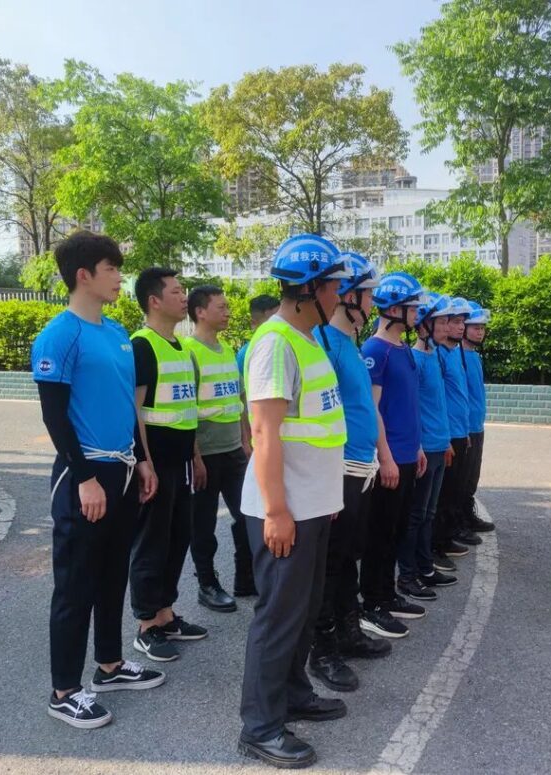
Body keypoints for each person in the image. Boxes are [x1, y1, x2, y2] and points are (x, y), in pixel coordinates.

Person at [32, 230, 163, 730]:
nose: (119, 278)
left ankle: (110, 665)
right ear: (84, 275)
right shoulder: (60, 335)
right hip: (83, 471)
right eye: (112, 269)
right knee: (76, 584)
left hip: (125, 468)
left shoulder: (114, 333)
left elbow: (129, 407)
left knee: (113, 573)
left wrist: (144, 461)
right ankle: (64, 690)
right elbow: (54, 417)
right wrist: (85, 477)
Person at [237, 233, 350, 770]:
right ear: (308, 290)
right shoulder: (275, 343)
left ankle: (293, 693)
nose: (340, 296)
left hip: (312, 503)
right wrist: (277, 510)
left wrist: (322, 498)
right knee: (278, 617)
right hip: (284, 510)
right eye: (333, 286)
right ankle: (259, 726)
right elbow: (264, 432)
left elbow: (317, 429)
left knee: (302, 612)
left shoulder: (310, 339)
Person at [309, 252, 392, 694]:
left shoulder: (351, 346)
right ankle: (321, 648)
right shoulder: (322, 343)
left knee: (348, 557)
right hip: (338, 468)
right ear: (348, 296)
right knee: (330, 561)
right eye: (369, 295)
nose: (373, 303)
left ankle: (348, 629)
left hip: (359, 467)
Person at [129, 268, 208, 663]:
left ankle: (166, 614)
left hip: (182, 461)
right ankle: (146, 624)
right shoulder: (142, 346)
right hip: (156, 465)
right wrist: (146, 464)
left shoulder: (179, 346)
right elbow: (136, 412)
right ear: (154, 301)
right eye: (177, 292)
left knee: (179, 538)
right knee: (151, 543)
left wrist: (194, 454)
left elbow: (185, 408)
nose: (184, 297)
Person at [359, 272, 428, 640]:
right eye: (412, 307)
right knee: (380, 534)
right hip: (388, 458)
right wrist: (385, 457)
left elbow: (408, 405)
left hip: (406, 454)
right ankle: (371, 603)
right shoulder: (374, 351)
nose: (418, 313)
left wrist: (415, 448)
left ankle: (387, 593)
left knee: (397, 530)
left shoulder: (401, 349)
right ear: (395, 309)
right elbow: (374, 409)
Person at [185, 284, 254, 612]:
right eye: (221, 307)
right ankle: (207, 583)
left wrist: (246, 440)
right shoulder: (190, 352)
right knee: (204, 525)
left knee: (247, 516)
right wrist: (195, 455)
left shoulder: (227, 350)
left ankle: (246, 577)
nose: (228, 312)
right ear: (200, 311)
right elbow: (187, 408)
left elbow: (238, 400)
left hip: (233, 451)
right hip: (206, 455)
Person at [398, 292, 458, 600]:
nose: (447, 326)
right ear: (425, 324)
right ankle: (407, 575)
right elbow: (413, 408)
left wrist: (445, 441)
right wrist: (420, 445)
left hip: (438, 445)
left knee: (428, 512)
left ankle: (425, 567)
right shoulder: (415, 358)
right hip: (424, 449)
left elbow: (438, 405)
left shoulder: (433, 355)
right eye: (442, 321)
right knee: (416, 514)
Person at [432, 297, 477, 563]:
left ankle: (446, 538)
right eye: (453, 321)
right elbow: (439, 402)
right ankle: (438, 544)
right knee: (440, 498)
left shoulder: (451, 353)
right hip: (446, 435)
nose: (459, 327)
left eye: (461, 322)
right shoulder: (438, 355)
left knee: (453, 491)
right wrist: (448, 436)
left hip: (459, 432)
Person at [459, 301, 495, 534]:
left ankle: (467, 515)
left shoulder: (474, 356)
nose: (480, 332)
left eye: (482, 328)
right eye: (475, 327)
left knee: (472, 476)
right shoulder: (458, 355)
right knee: (460, 479)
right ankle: (458, 520)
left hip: (476, 425)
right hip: (465, 427)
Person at [237, 294, 280, 376]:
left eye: (279, 321)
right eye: (270, 323)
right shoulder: (245, 354)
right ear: (253, 323)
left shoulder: (290, 346)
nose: (277, 327)